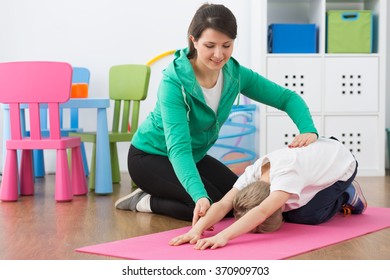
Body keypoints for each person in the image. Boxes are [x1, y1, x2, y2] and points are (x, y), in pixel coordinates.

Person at [115, 3, 318, 222]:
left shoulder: (235, 74)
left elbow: (286, 98)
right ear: (193, 40)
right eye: (210, 45)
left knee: (239, 200)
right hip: (150, 157)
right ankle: (146, 201)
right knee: (208, 207)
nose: (219, 54)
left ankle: (168, 193)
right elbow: (179, 148)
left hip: (194, 156)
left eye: (226, 45)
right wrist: (199, 195)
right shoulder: (173, 83)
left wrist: (308, 130)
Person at [169, 137, 367, 250]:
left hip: (343, 165)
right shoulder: (252, 174)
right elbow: (223, 204)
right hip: (315, 161)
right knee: (291, 211)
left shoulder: (287, 176)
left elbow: (263, 212)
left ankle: (347, 194)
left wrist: (223, 236)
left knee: (305, 215)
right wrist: (196, 230)